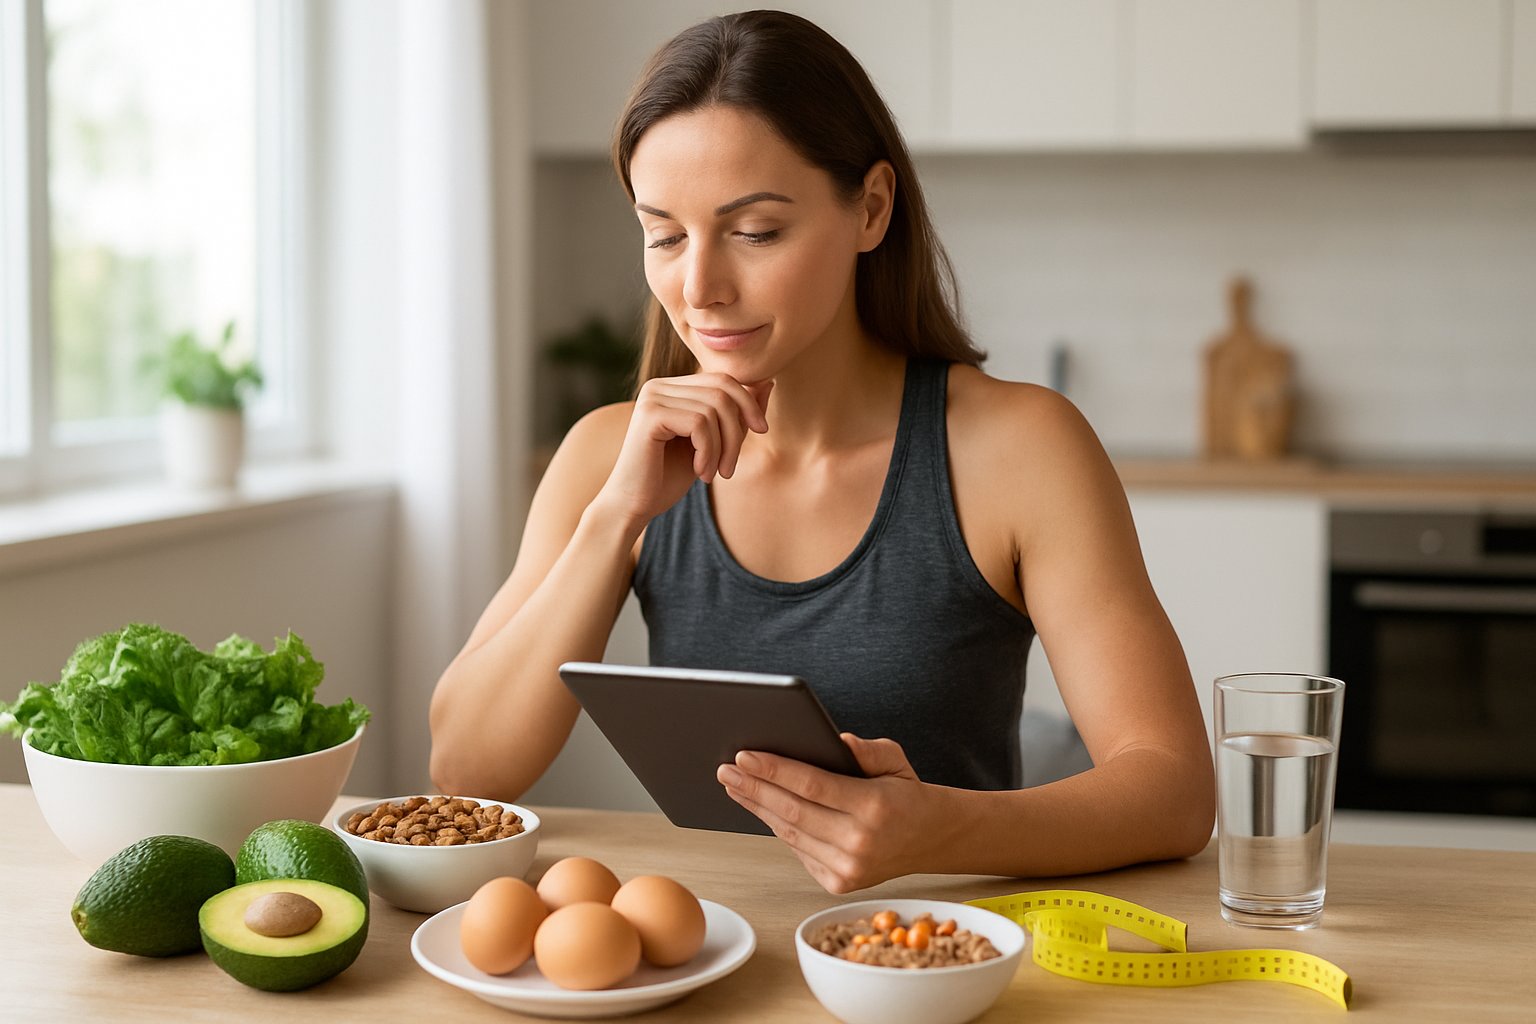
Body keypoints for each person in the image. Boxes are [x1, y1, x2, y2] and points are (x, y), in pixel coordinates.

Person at [430, 9, 1214, 893]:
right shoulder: (608, 457)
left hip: (939, 958)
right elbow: (465, 766)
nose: (700, 289)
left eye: (755, 231)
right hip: (714, 959)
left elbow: (1176, 791)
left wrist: (940, 828)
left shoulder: (1020, 450)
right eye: (664, 235)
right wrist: (615, 518)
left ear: (870, 208)